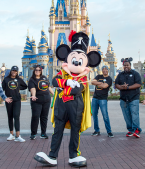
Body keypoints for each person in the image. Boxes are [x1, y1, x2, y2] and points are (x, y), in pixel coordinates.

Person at [34, 31, 101, 167]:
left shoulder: (83, 76)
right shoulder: (62, 73)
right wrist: (66, 82)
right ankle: (52, 156)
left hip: (76, 106)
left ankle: (73, 155)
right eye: (73, 59)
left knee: (75, 130)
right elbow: (54, 81)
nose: (76, 62)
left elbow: (78, 89)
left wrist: (63, 86)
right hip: (61, 106)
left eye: (80, 60)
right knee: (57, 129)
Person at [115, 58, 142, 138]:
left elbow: (138, 84)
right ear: (123, 66)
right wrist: (121, 87)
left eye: (127, 65)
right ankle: (131, 130)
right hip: (124, 99)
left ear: (130, 65)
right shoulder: (120, 75)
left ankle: (137, 130)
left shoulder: (135, 74)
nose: (126, 66)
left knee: (134, 114)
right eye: (125, 65)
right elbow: (116, 84)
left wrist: (128, 87)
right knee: (126, 115)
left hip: (134, 98)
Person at [2, 66, 27, 142]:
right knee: (10, 117)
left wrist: (18, 87)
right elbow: (2, 88)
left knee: (16, 116)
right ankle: (11, 134)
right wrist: (5, 97)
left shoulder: (19, 79)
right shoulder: (6, 79)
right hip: (9, 100)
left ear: (17, 72)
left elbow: (25, 86)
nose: (14, 72)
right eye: (13, 70)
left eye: (15, 71)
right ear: (11, 71)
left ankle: (18, 135)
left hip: (17, 100)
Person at [28, 65, 54, 140]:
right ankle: (33, 133)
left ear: (41, 71)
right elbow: (33, 88)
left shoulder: (44, 78)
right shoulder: (32, 79)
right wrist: (33, 95)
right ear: (34, 71)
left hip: (46, 100)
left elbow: (48, 87)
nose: (38, 71)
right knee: (35, 116)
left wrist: (54, 94)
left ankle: (43, 133)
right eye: (36, 70)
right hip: (36, 100)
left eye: (39, 70)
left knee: (44, 117)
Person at [91, 65, 113, 137]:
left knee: (105, 116)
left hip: (103, 99)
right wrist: (101, 83)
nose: (105, 70)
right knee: (94, 115)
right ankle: (97, 130)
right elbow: (92, 82)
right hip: (95, 98)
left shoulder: (109, 79)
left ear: (108, 70)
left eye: (106, 69)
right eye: (103, 69)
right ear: (102, 70)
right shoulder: (98, 76)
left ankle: (109, 131)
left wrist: (98, 83)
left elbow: (105, 86)